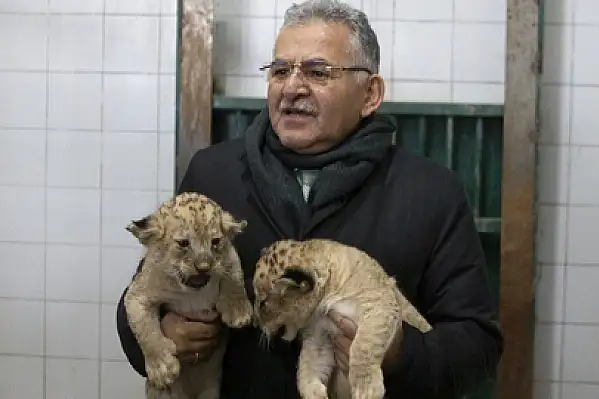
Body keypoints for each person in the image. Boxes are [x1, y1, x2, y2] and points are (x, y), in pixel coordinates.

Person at [115, 0, 503, 398]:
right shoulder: (214, 173)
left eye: (318, 72)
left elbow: (478, 344)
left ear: (370, 94)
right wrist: (162, 336)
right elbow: (146, 289)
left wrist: (398, 353)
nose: (292, 87)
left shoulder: (429, 192)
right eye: (280, 70)